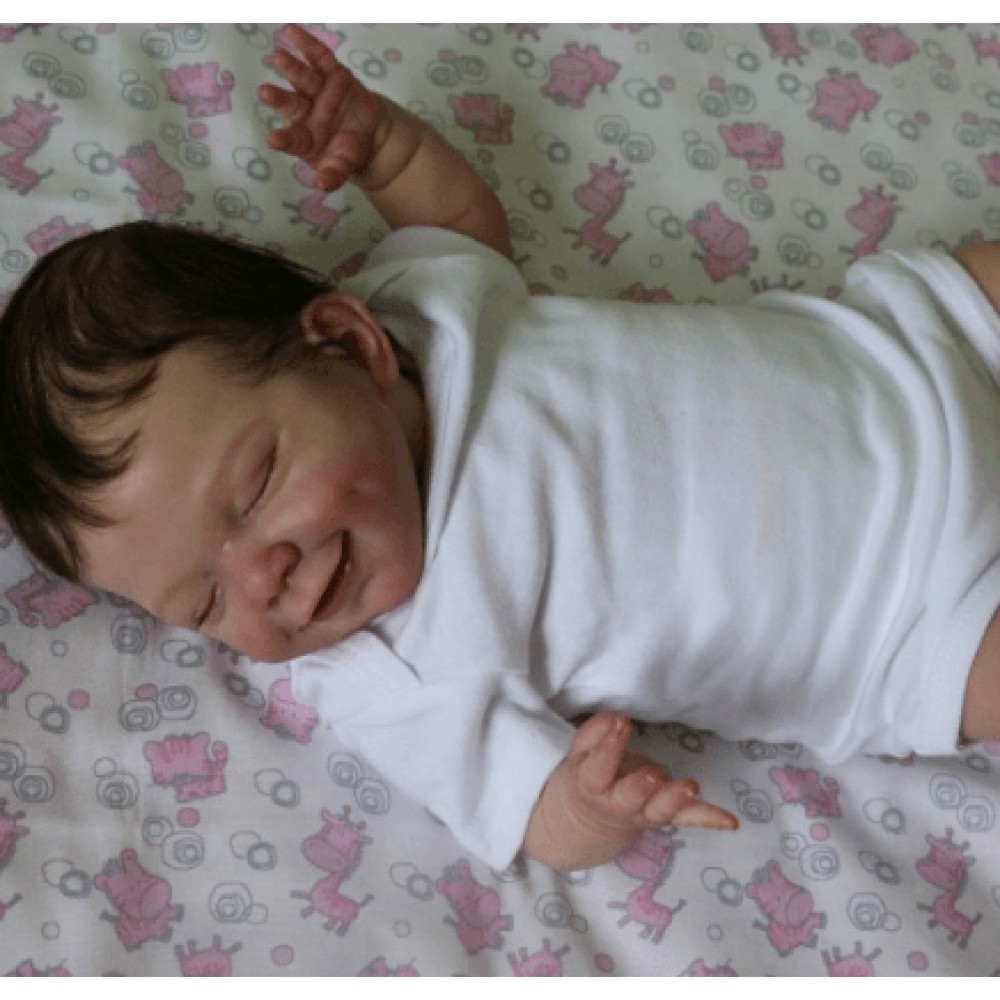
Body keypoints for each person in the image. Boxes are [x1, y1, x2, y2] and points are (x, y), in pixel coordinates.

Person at [3, 24, 1000, 872]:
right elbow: (527, 814)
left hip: (910, 348)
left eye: (258, 484)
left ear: (348, 344)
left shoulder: (420, 316)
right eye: (204, 603)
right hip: (910, 621)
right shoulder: (387, 674)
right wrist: (590, 807)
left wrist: (381, 146)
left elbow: (457, 221)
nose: (260, 579)